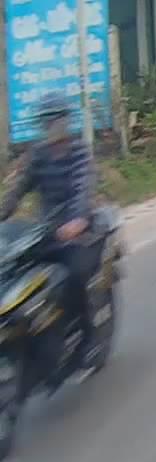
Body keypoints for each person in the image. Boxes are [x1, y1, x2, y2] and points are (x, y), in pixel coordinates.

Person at [0, 93, 105, 369]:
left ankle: (89, 338)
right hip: (46, 231)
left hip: (78, 233)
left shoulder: (79, 151)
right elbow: (19, 189)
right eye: (45, 121)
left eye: (54, 120)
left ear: (65, 121)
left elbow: (83, 188)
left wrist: (78, 220)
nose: (50, 126)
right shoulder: (39, 154)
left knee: (74, 277)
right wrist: (3, 213)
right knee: (15, 273)